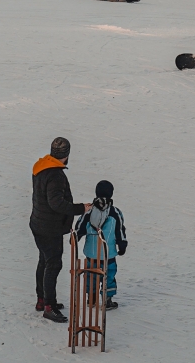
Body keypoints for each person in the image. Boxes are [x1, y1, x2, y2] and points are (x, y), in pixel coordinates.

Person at [30, 136, 85, 323]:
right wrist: (80, 209)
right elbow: (56, 204)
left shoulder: (41, 167)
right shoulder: (55, 175)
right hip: (49, 228)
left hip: (38, 224)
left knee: (44, 261)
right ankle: (49, 306)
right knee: (53, 264)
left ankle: (41, 300)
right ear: (66, 155)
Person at [74, 180, 128, 309]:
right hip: (108, 253)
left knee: (91, 275)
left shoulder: (88, 211)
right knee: (108, 275)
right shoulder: (115, 212)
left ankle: (91, 299)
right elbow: (120, 230)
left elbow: (80, 227)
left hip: (91, 253)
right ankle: (107, 299)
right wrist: (122, 245)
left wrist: (76, 238)